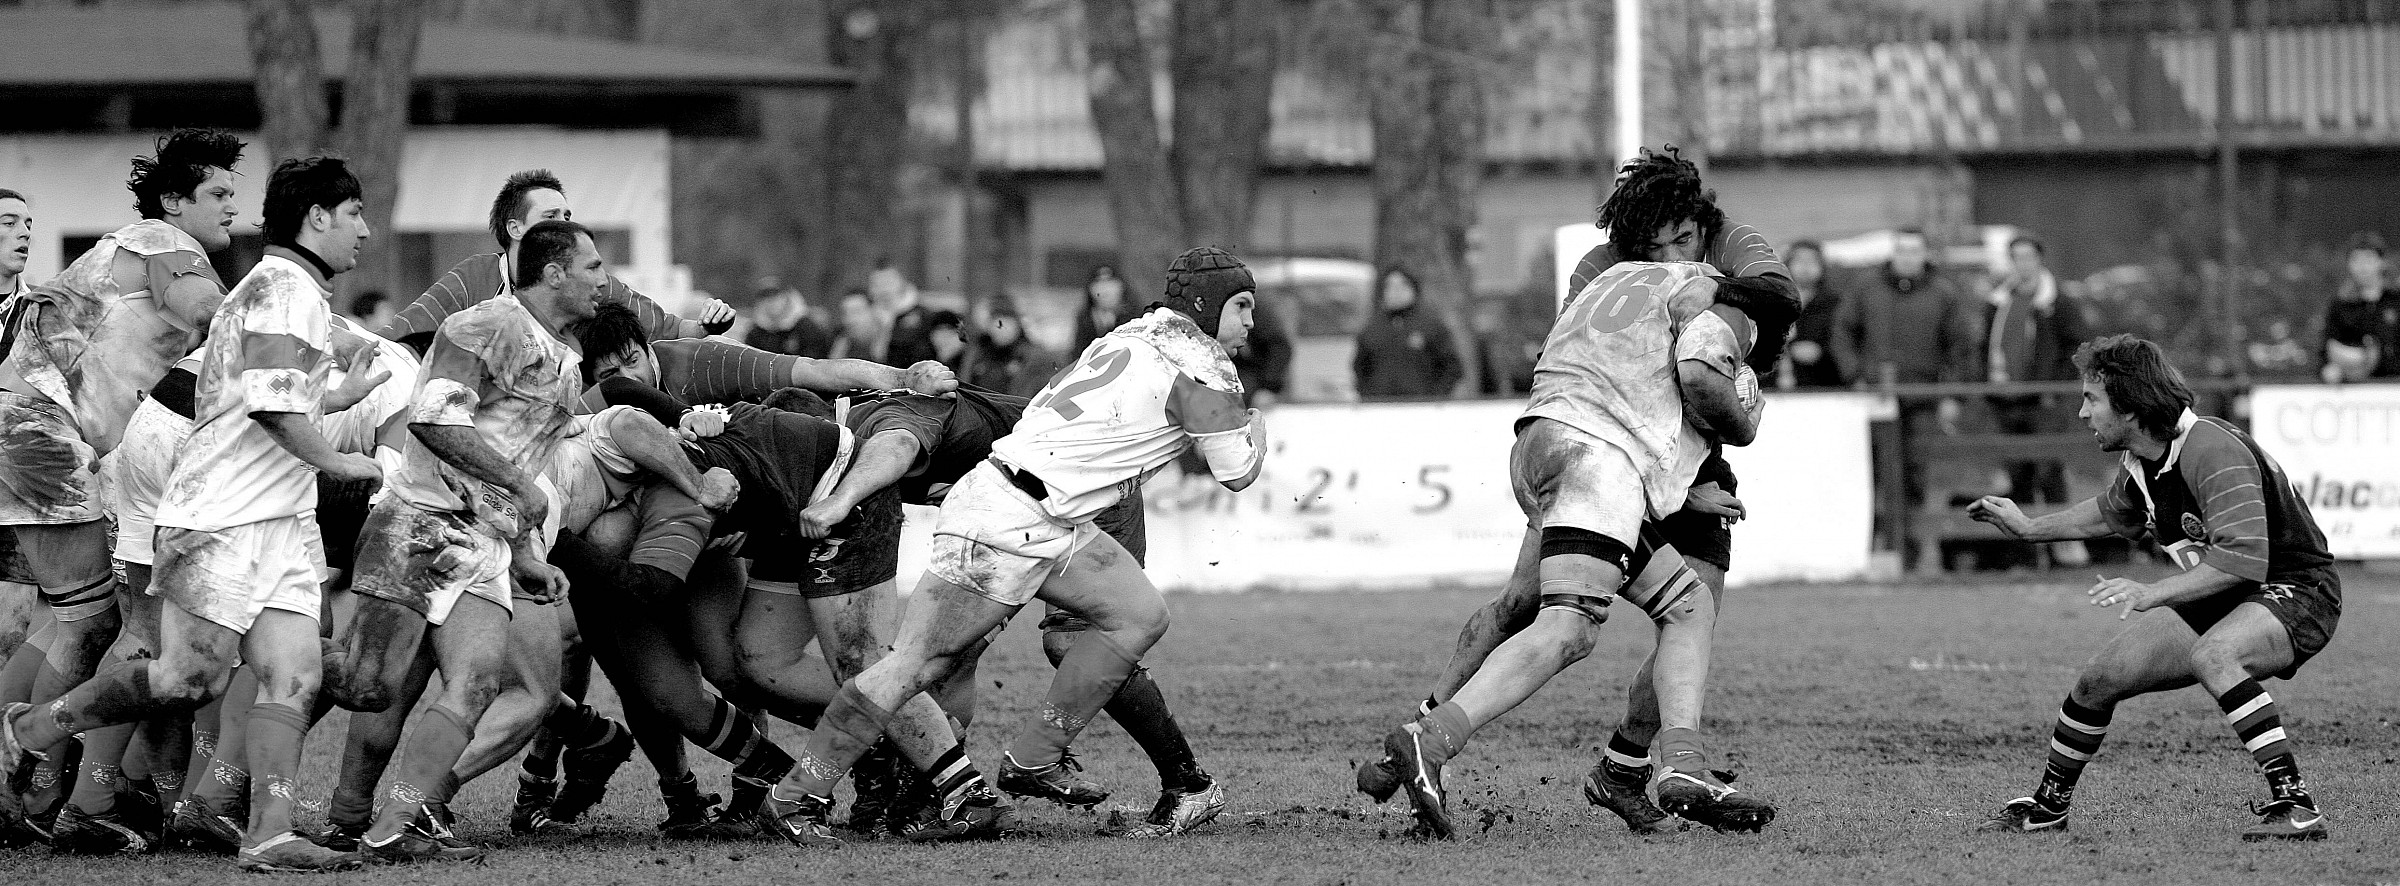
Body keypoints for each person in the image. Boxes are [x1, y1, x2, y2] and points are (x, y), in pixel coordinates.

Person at [756, 246, 1268, 848]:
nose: (1249, 323)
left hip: (1043, 512)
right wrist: (1255, 425)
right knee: (914, 665)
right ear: (1206, 308)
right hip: (1010, 519)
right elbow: (1236, 472)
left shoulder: (1135, 332)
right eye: (1241, 307)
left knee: (1140, 615)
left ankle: (1034, 756)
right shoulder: (1204, 365)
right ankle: (795, 796)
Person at [0, 156, 381, 873]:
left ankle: (268, 831)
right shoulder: (280, 289)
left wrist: (330, 402)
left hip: (274, 518)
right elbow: (268, 404)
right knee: (184, 678)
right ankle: (35, 726)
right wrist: (339, 462)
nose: (365, 229)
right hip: (221, 517)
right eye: (355, 212)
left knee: (292, 676)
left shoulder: (281, 292)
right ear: (319, 217)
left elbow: (245, 398)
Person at [1967, 334, 2340, 842]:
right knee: (2099, 679)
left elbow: (2243, 563)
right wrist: (2030, 528)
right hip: (2227, 593)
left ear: (2129, 406)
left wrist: (2152, 593)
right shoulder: (2142, 460)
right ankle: (2049, 807)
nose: (2082, 413)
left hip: (2298, 590)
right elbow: (2108, 513)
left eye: (2091, 399)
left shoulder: (2211, 449)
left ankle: (2295, 804)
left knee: (2215, 655)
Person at [317, 220, 596, 864]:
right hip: (418, 524)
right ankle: (333, 799)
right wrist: (519, 489)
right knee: (373, 686)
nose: (603, 280)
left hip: (486, 548)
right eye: (593, 266)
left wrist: (524, 552)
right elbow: (436, 418)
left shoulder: (567, 360)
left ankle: (396, 822)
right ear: (554, 273)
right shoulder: (484, 325)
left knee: (474, 683)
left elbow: (521, 457)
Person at [0, 130, 245, 840]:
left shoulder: (136, 246)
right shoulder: (163, 241)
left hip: (31, 432)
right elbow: (210, 312)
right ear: (174, 200)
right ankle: (41, 796)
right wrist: (289, 329)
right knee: (90, 621)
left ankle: (39, 792)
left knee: (73, 618)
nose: (233, 208)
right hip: (36, 432)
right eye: (219, 194)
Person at [378, 170, 734, 353]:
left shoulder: (593, 280)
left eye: (567, 215)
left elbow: (667, 330)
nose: (564, 224)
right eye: (551, 215)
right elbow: (400, 335)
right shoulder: (474, 276)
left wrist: (706, 325)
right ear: (514, 228)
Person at [1980, 234, 2091, 567]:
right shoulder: (1998, 300)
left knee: (2050, 472)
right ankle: (2026, 554)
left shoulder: (2059, 302)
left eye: (2027, 256)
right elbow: (1985, 346)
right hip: (2007, 400)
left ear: (2040, 259)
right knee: (2017, 477)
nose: (2022, 263)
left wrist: (2053, 387)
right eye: (2016, 257)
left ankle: (2064, 550)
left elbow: (2077, 348)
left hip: (2044, 402)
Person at [1351, 267, 1463, 401]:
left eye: (1402, 285)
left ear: (1413, 289)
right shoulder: (1372, 328)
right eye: (1390, 286)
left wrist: (1436, 397)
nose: (1396, 291)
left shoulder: (1431, 326)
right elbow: (1360, 367)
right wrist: (1368, 396)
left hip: (1421, 407)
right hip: (1381, 407)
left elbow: (1452, 367)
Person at [2320, 232, 2395, 382]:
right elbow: (2326, 349)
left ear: (2382, 261)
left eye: (2368, 258)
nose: (2362, 266)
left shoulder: (2395, 301)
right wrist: (2328, 369)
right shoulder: (2340, 305)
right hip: (2354, 394)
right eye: (2356, 259)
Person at [1777, 240, 1849, 389]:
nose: (1805, 267)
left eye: (1812, 261)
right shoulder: (1770, 301)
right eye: (1799, 260)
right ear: (1787, 264)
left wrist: (1821, 352)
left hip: (1823, 385)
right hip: (1774, 388)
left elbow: (1846, 340)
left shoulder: (1834, 304)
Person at [960, 295, 1059, 399]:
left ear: (1018, 325)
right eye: (997, 324)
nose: (1002, 330)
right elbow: (965, 386)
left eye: (1007, 323)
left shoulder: (1035, 357)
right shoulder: (977, 354)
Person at [744, 281, 833, 358]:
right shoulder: (756, 333)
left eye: (775, 296)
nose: (771, 302)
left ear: (786, 297)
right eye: (766, 298)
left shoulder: (806, 327)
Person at [874, 264, 938, 368]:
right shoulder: (868, 315)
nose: (883, 289)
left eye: (888, 282)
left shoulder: (923, 315)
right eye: (877, 284)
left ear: (902, 281)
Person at [1070, 264, 1139, 358]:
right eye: (1099, 283)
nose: (1105, 289)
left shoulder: (1136, 318)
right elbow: (1078, 355)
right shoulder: (1086, 319)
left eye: (1110, 283)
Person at [829, 288, 886, 362]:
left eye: (856, 312)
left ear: (875, 310)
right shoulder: (841, 343)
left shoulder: (896, 340)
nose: (849, 320)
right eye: (845, 313)